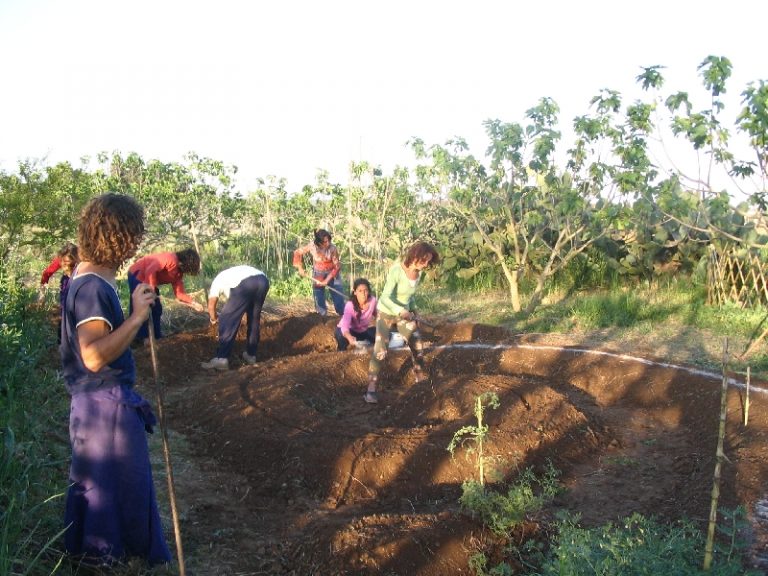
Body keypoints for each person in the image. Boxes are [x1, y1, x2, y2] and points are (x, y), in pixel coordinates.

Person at [60, 193, 171, 567]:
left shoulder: (89, 275)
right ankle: (105, 560)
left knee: (101, 488)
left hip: (96, 404)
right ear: (118, 236)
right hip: (104, 404)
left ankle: (101, 558)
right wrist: (138, 317)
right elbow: (92, 356)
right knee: (118, 488)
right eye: (133, 235)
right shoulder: (92, 286)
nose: (135, 244)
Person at [364, 241, 440, 404]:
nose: (426, 264)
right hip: (386, 313)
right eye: (424, 260)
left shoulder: (418, 274)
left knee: (418, 344)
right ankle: (371, 389)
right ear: (415, 255)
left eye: (428, 261)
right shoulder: (397, 270)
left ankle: (419, 381)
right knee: (380, 350)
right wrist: (400, 311)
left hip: (403, 315)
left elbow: (410, 297)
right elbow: (385, 297)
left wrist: (414, 311)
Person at [127, 248, 205, 343]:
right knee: (143, 307)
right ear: (187, 262)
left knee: (157, 308)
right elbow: (150, 271)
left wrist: (194, 303)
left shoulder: (178, 273)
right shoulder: (170, 259)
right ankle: (141, 339)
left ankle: (157, 336)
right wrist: (151, 289)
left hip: (149, 281)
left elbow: (180, 294)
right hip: (138, 274)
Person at [201, 265, 270, 371]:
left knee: (226, 317)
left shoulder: (217, 282)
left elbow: (211, 306)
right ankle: (251, 355)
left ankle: (222, 359)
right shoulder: (230, 276)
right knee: (254, 318)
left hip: (248, 283)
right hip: (263, 280)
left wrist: (213, 319)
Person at [292, 229, 345, 316]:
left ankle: (344, 319)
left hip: (332, 274)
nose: (328, 243)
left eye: (329, 240)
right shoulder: (312, 246)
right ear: (319, 243)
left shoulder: (332, 248)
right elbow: (297, 252)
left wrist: (327, 280)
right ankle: (322, 321)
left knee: (339, 301)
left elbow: (337, 267)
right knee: (319, 300)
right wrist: (300, 268)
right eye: (325, 242)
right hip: (318, 274)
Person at [335, 278, 377, 351]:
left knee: (381, 334)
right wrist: (349, 337)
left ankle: (367, 346)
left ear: (368, 291)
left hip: (363, 331)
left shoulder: (372, 301)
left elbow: (377, 315)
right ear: (355, 292)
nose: (363, 294)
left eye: (365, 290)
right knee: (341, 335)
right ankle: (341, 351)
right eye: (360, 291)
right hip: (349, 330)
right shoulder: (350, 305)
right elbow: (345, 326)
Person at [39, 242, 79, 306]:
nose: (66, 264)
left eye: (69, 263)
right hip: (66, 284)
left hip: (79, 281)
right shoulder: (61, 258)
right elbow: (46, 274)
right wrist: (42, 295)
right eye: (64, 263)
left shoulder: (82, 259)